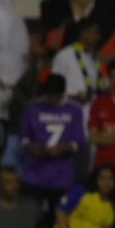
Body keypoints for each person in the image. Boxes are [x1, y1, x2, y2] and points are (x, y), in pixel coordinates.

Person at [21, 75, 86, 207]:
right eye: (50, 94)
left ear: (63, 93)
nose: (52, 98)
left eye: (56, 94)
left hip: (62, 175)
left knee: (58, 216)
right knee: (33, 216)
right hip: (35, 173)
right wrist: (38, 149)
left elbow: (80, 141)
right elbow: (24, 139)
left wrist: (63, 148)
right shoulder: (33, 108)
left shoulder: (75, 109)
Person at [52, 164, 115, 228]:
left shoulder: (113, 207)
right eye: (102, 178)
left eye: (110, 179)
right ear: (95, 179)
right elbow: (61, 212)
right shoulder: (80, 192)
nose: (106, 182)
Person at [51, 18, 106, 105]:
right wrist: (73, 97)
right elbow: (54, 88)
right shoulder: (64, 55)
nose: (98, 37)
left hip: (91, 112)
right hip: (69, 111)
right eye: (95, 33)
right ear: (83, 33)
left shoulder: (94, 58)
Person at [90, 61, 115, 182]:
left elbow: (99, 136)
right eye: (113, 77)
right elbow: (94, 138)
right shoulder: (98, 103)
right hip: (103, 173)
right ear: (108, 79)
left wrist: (107, 136)